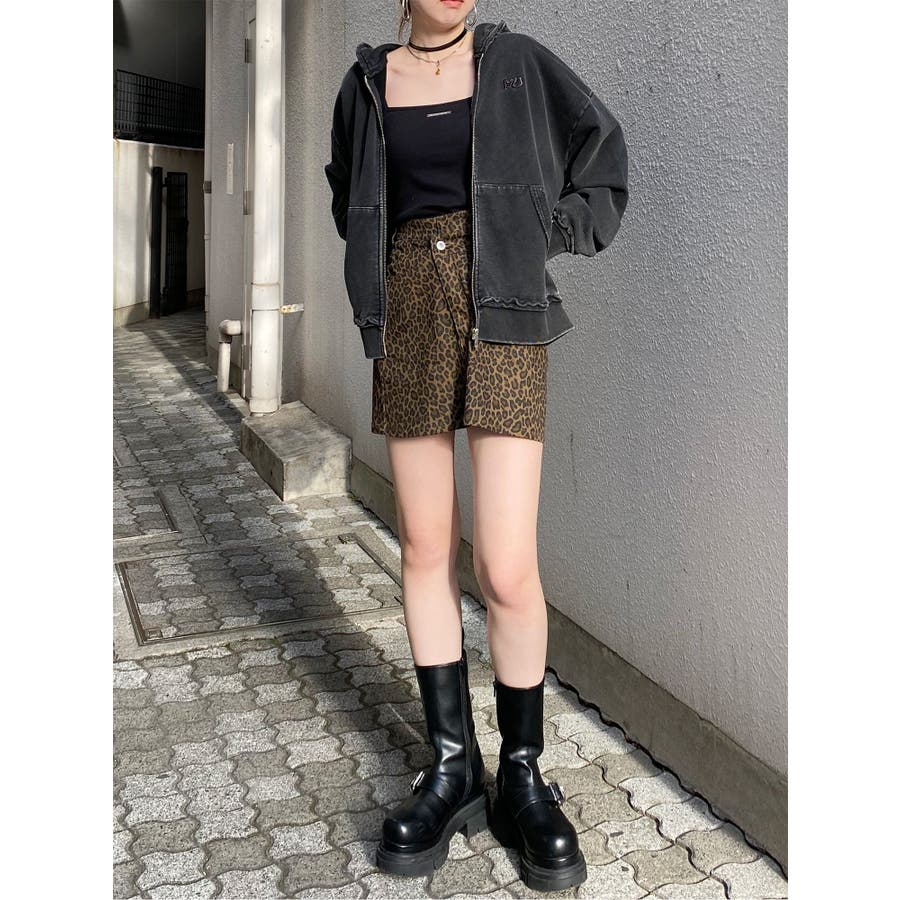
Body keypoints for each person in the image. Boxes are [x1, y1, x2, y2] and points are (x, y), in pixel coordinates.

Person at [324, 1, 628, 891]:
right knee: (425, 546)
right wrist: (391, 263)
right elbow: (351, 196)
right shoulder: (366, 84)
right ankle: (454, 768)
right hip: (409, 310)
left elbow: (602, 154)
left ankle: (522, 776)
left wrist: (546, 232)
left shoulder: (518, 63)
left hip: (505, 306)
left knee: (504, 562)